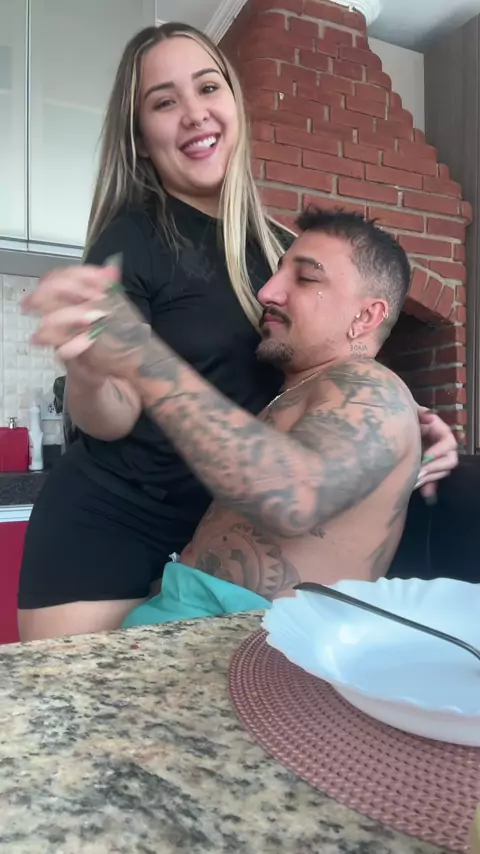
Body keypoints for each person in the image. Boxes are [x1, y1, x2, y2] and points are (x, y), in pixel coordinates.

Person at [18, 24, 457, 641]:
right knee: (84, 704)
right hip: (107, 528)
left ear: (234, 104)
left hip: (207, 531)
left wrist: (406, 417)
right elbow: (111, 419)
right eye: (164, 102)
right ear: (141, 138)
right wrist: (90, 371)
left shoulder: (280, 249)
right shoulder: (132, 239)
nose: (194, 113)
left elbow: (317, 368)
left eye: (207, 87)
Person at [25, 208, 455, 629]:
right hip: (180, 626)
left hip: (243, 652)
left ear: (366, 316)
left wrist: (140, 354)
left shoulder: (374, 389)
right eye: (278, 273)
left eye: (306, 278)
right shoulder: (299, 392)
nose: (267, 292)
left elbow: (297, 498)